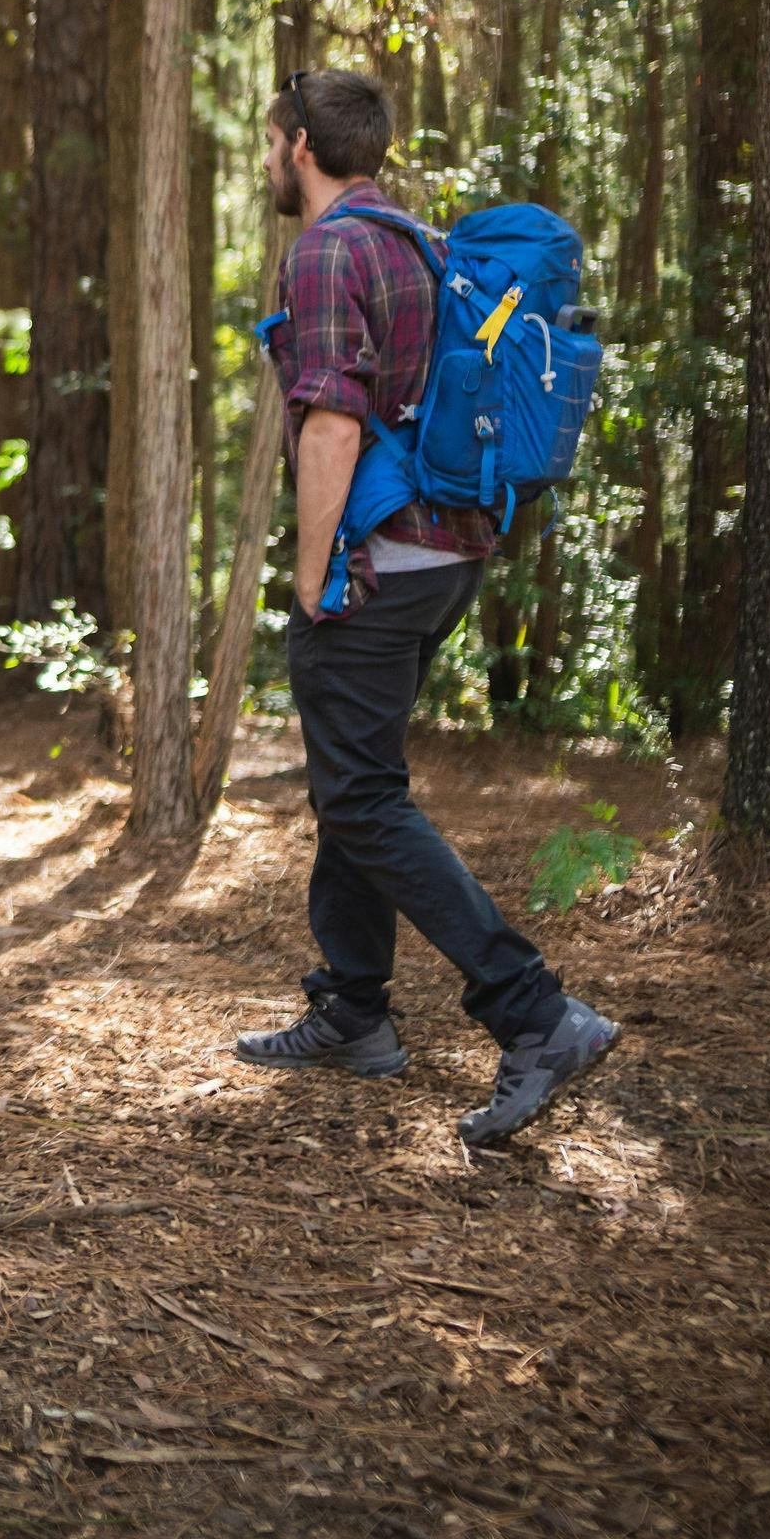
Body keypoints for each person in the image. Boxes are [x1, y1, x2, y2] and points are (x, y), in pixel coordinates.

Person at [234, 68, 620, 1146]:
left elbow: (330, 427)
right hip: (446, 554)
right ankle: (355, 1012)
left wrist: (313, 578)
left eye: (273, 144)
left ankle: (536, 1015)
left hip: (378, 563)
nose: (269, 160)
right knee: (353, 781)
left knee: (362, 799)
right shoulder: (416, 242)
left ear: (302, 147)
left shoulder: (325, 252)